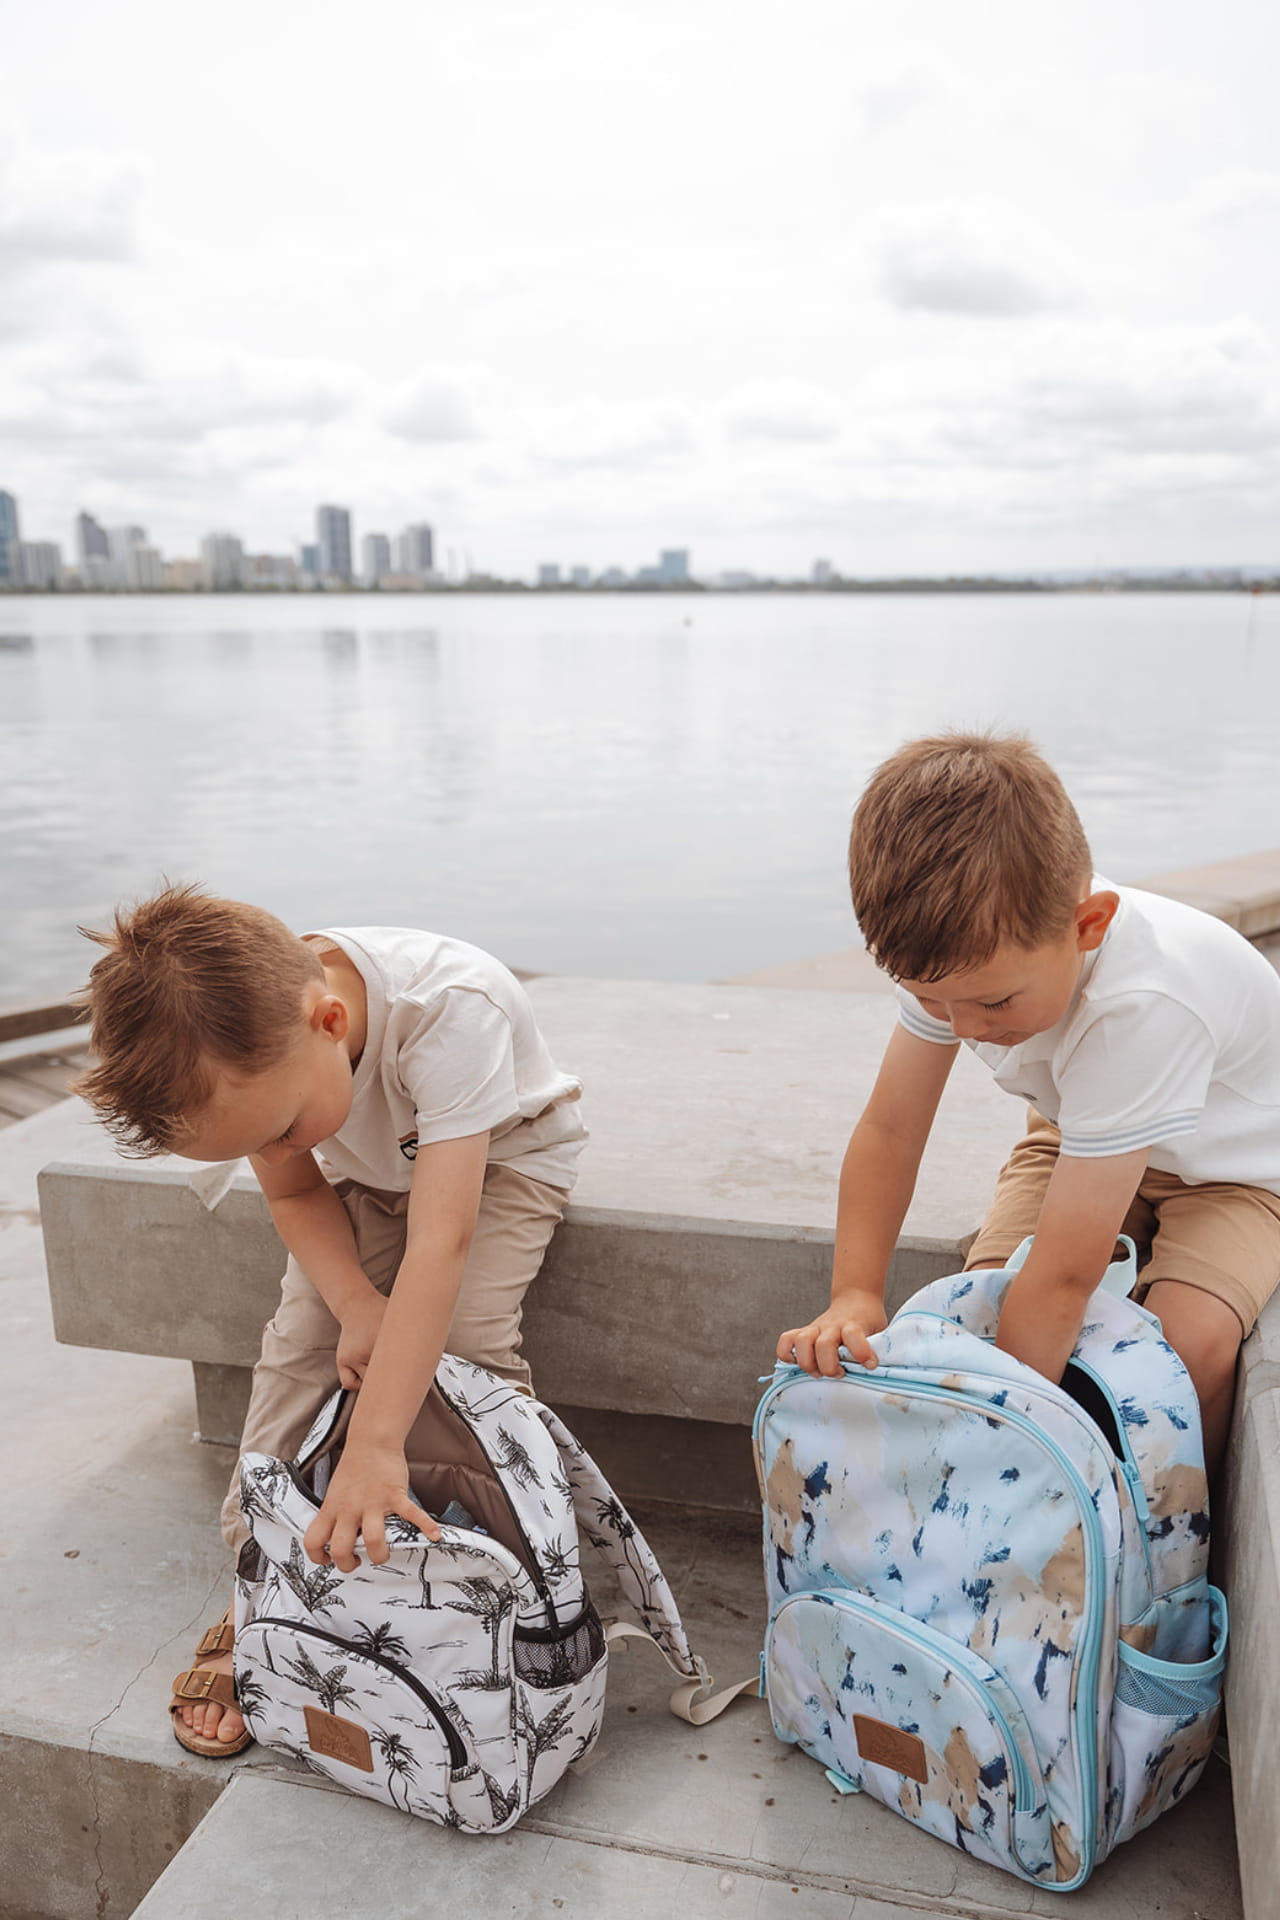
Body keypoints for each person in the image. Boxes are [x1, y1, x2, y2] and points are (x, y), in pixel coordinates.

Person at [75, 885, 586, 1757]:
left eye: (275, 1128)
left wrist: (375, 1443)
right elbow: (298, 1183)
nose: (270, 1150)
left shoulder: (450, 1011)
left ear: (331, 1020)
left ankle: (514, 1584)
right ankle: (259, 1587)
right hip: (359, 1169)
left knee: (460, 1351)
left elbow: (441, 1239)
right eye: (252, 1143)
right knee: (298, 1352)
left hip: (496, 1164)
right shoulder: (273, 1086)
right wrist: (353, 1302)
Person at [778, 731, 1280, 1485]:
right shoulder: (961, 967)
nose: (963, 1028)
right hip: (1081, 1131)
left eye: (993, 1002)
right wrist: (855, 1292)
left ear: (1088, 926)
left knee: (1186, 1347)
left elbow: (1066, 1277)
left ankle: (1162, 1528)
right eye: (928, 1000)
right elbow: (890, 1128)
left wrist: (987, 1470)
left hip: (1237, 1169)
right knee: (982, 1297)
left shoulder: (1143, 1003)